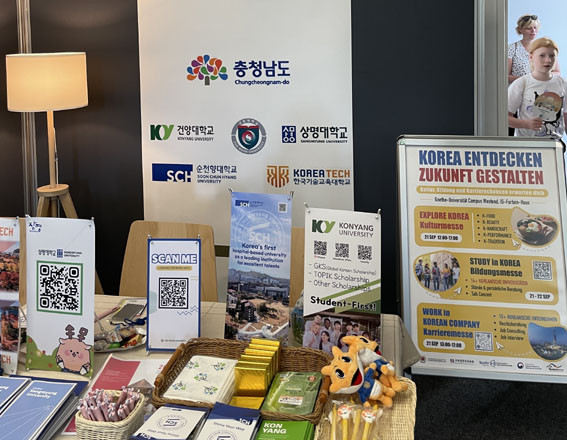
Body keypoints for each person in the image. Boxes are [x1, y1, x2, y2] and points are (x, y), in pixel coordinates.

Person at [508, 38, 567, 140]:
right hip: (527, 144)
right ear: (531, 57)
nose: (548, 60)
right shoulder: (521, 83)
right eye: (542, 55)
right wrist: (526, 124)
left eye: (552, 56)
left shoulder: (563, 84)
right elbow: (505, 118)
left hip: (555, 145)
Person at [508, 14, 540, 84]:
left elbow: (556, 72)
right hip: (519, 89)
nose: (533, 31)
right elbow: (505, 76)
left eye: (535, 28)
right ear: (520, 29)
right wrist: (526, 79)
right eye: (529, 28)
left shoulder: (543, 48)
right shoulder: (512, 48)